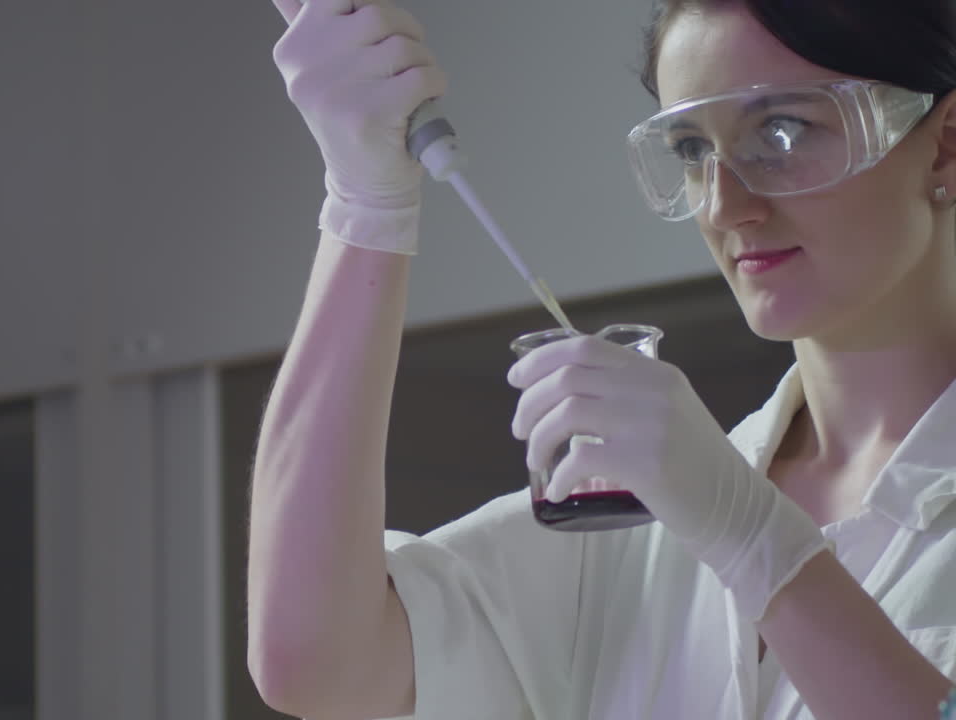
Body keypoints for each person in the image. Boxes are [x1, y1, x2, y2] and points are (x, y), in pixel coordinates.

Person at [247, 0, 956, 717]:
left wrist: (757, 543)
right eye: (689, 149)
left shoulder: (712, 504)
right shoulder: (652, 517)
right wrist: (366, 203)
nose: (723, 203)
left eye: (783, 130)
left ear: (947, 143)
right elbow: (315, 663)